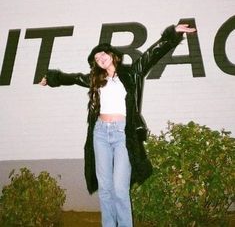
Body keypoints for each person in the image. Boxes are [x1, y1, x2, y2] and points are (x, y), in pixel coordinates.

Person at [39, 23, 196, 227]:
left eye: (102, 54)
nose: (100, 58)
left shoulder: (132, 73)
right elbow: (71, 78)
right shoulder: (96, 79)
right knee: (105, 189)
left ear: (112, 55)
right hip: (100, 134)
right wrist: (51, 78)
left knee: (120, 190)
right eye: (96, 58)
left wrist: (172, 35)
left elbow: (152, 54)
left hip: (123, 134)